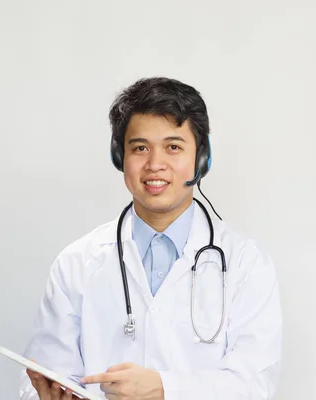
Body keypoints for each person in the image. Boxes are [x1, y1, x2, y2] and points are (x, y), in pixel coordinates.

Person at [20, 77, 282, 400]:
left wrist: (164, 389)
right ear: (120, 157)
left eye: (173, 147)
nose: (155, 165)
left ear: (202, 159)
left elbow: (254, 386)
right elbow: (40, 379)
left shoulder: (246, 263)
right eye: (140, 148)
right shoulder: (75, 264)